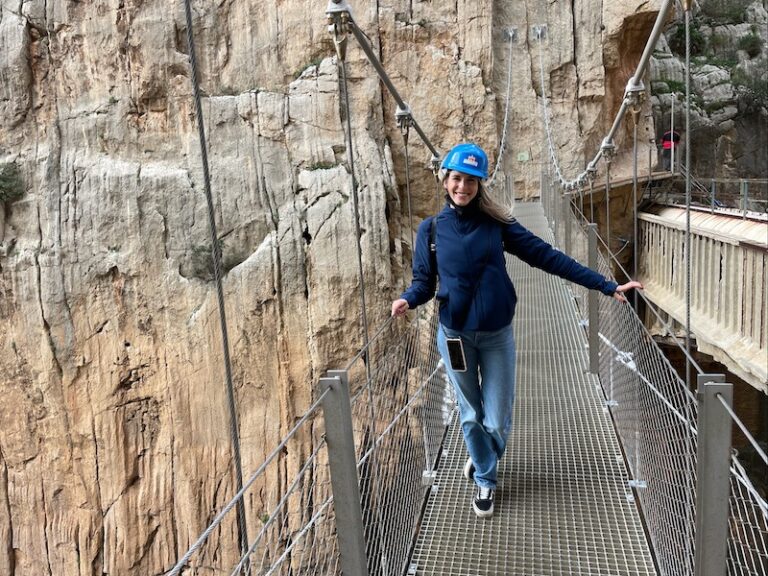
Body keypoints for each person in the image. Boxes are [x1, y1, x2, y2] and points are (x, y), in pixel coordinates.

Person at [391, 143, 642, 518]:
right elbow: (424, 284)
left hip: (496, 335)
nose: (463, 187)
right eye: (456, 178)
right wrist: (408, 300)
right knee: (470, 414)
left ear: (480, 184)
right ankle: (486, 480)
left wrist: (605, 285)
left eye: (471, 181)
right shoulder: (430, 231)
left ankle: (481, 458)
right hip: (455, 336)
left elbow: (548, 257)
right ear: (445, 180)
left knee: (496, 417)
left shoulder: (498, 224)